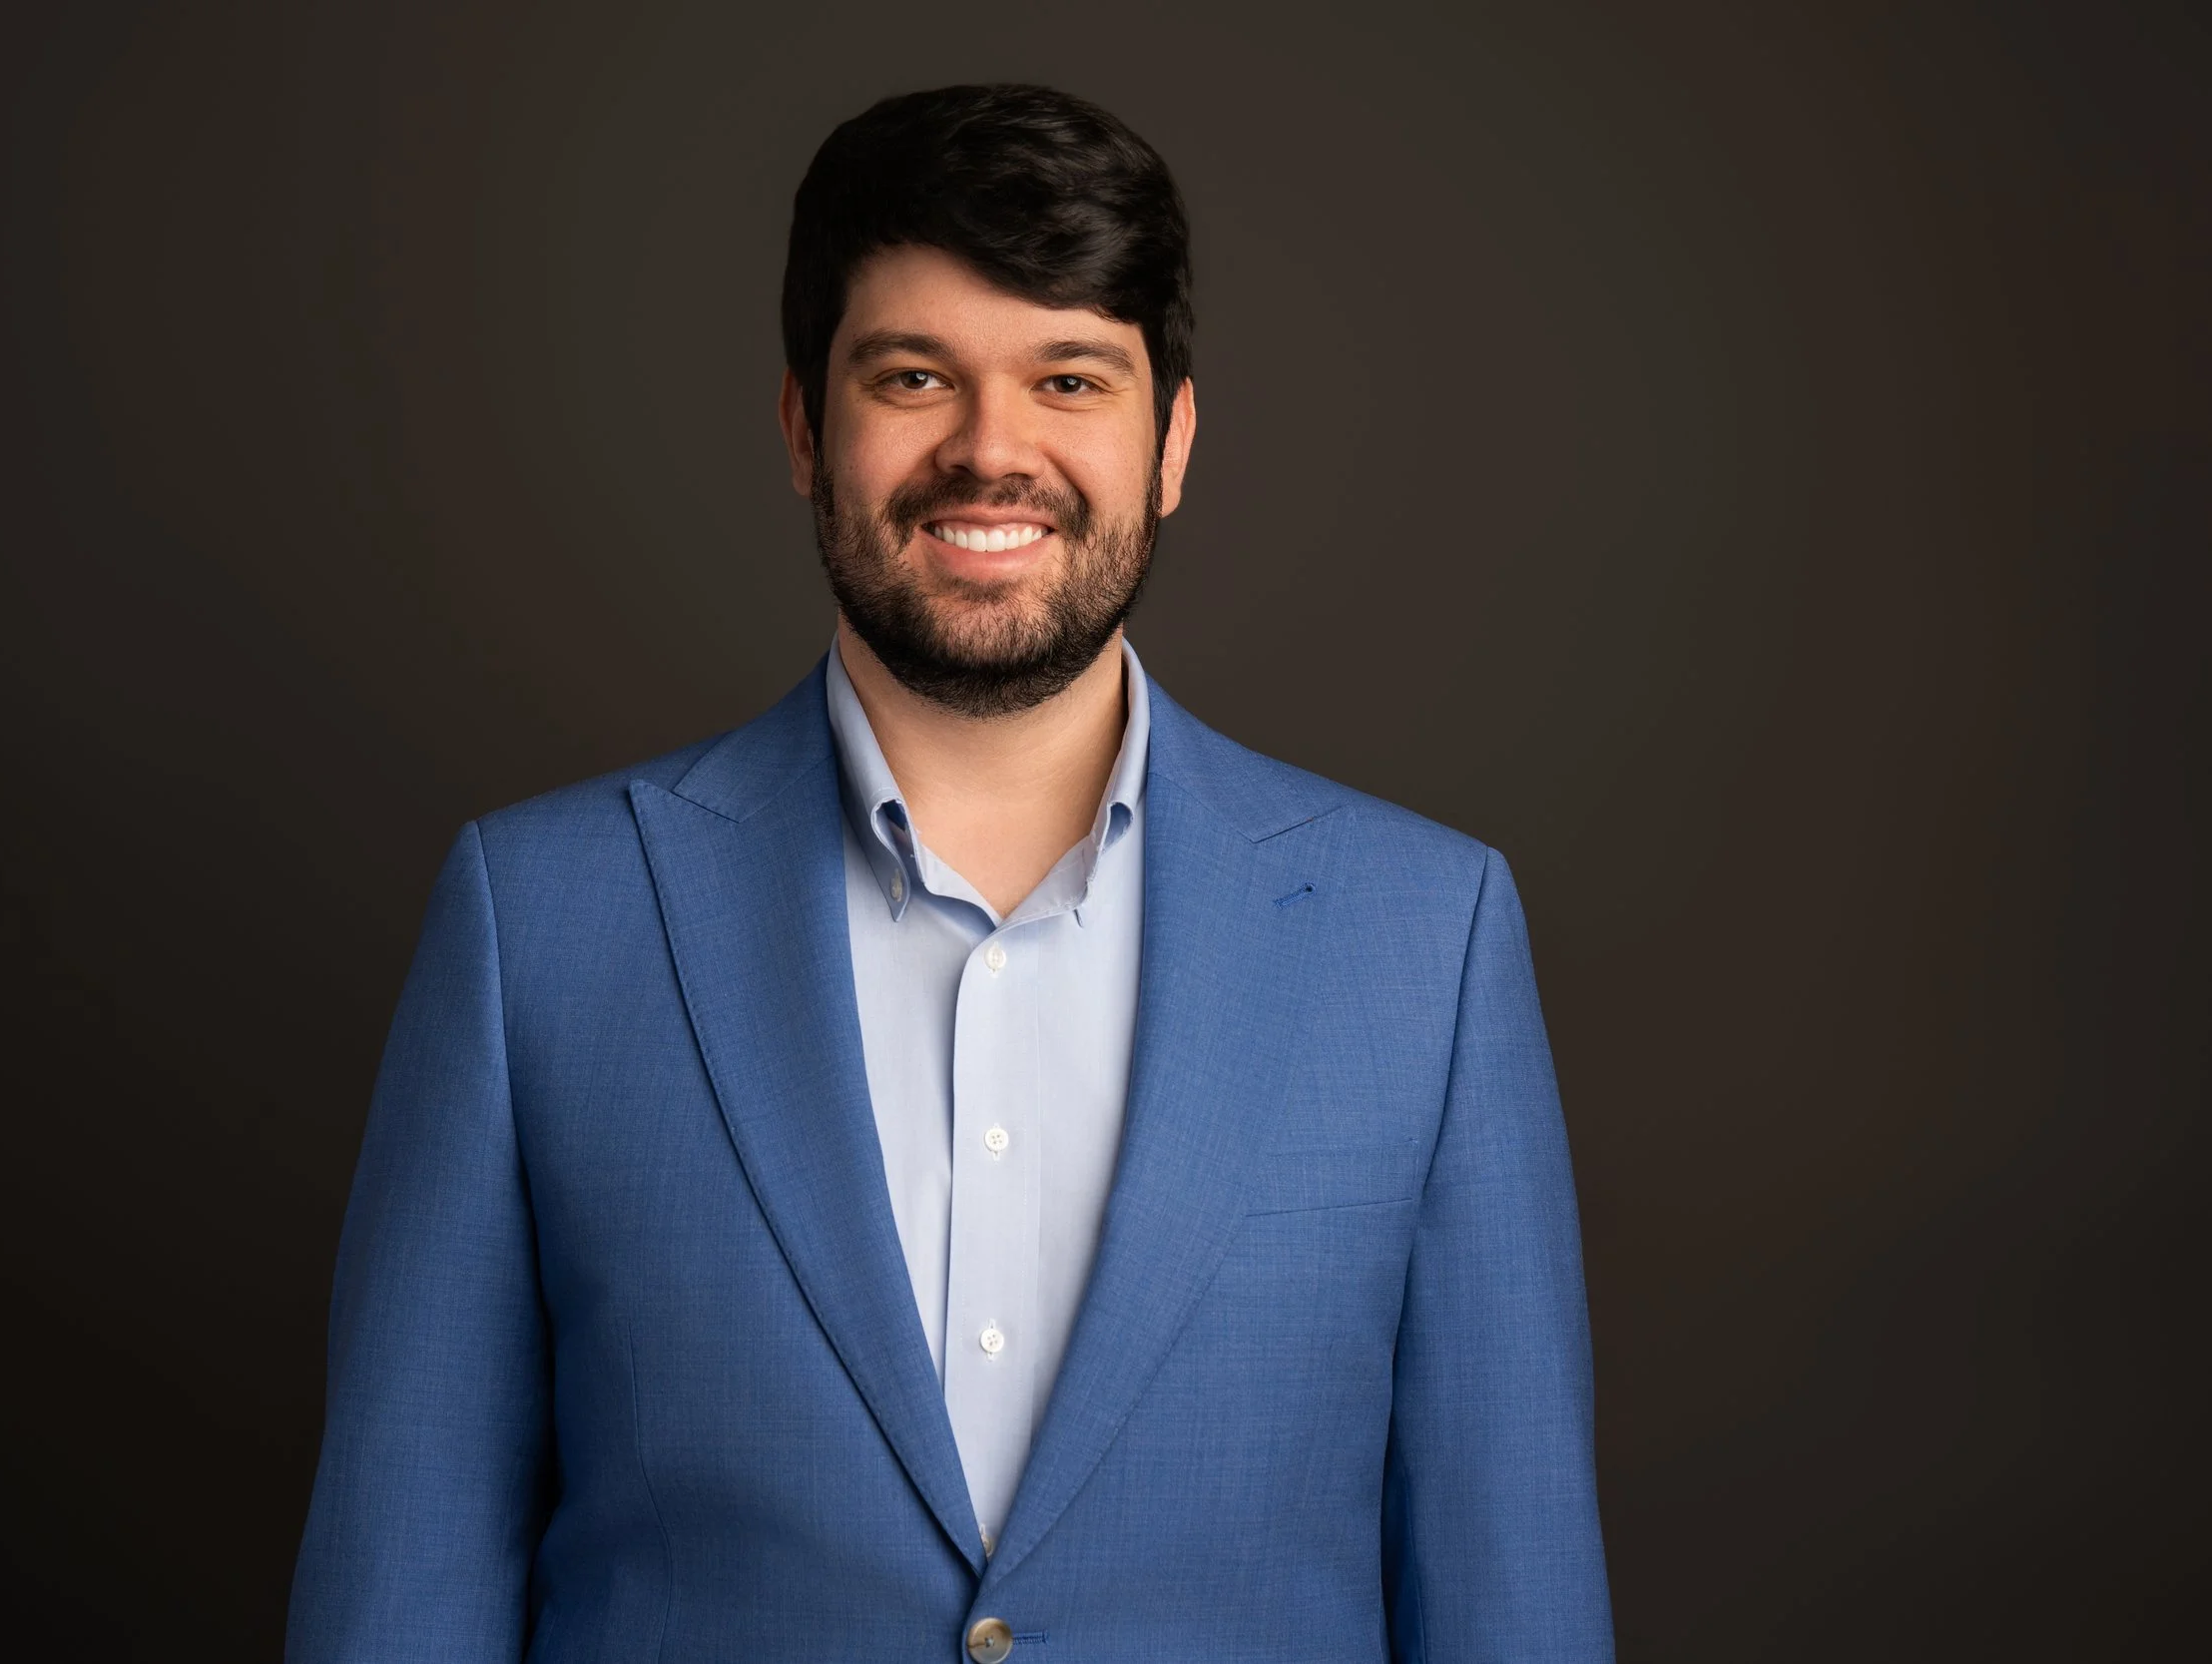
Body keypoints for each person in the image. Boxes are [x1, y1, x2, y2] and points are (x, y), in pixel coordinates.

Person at [286, 83, 1612, 1663]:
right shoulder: (538, 922)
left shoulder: (1430, 939)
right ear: (802, 425)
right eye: (915, 376)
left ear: (1173, 439)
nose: (994, 451)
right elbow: (400, 1594)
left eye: (1070, 377)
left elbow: (1512, 1602)